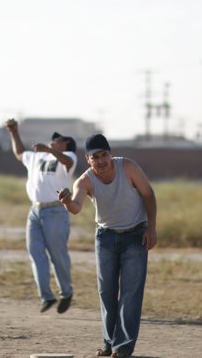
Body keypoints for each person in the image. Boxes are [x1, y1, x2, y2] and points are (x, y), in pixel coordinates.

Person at [58, 133, 157, 358]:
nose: (101, 161)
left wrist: (151, 228)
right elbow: (76, 206)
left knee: (131, 294)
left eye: (104, 155)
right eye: (95, 157)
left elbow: (149, 195)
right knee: (107, 293)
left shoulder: (128, 168)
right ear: (88, 159)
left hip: (135, 236)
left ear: (110, 154)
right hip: (106, 239)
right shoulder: (83, 181)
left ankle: (123, 347)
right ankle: (108, 344)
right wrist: (66, 202)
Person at [6, 118, 77, 314]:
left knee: (57, 254)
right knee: (36, 253)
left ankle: (66, 291)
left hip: (55, 210)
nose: (54, 140)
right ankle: (46, 296)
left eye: (59, 139)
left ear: (66, 145)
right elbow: (20, 153)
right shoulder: (38, 157)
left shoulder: (67, 156)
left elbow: (68, 161)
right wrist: (14, 132)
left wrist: (50, 150)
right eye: (53, 140)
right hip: (35, 210)